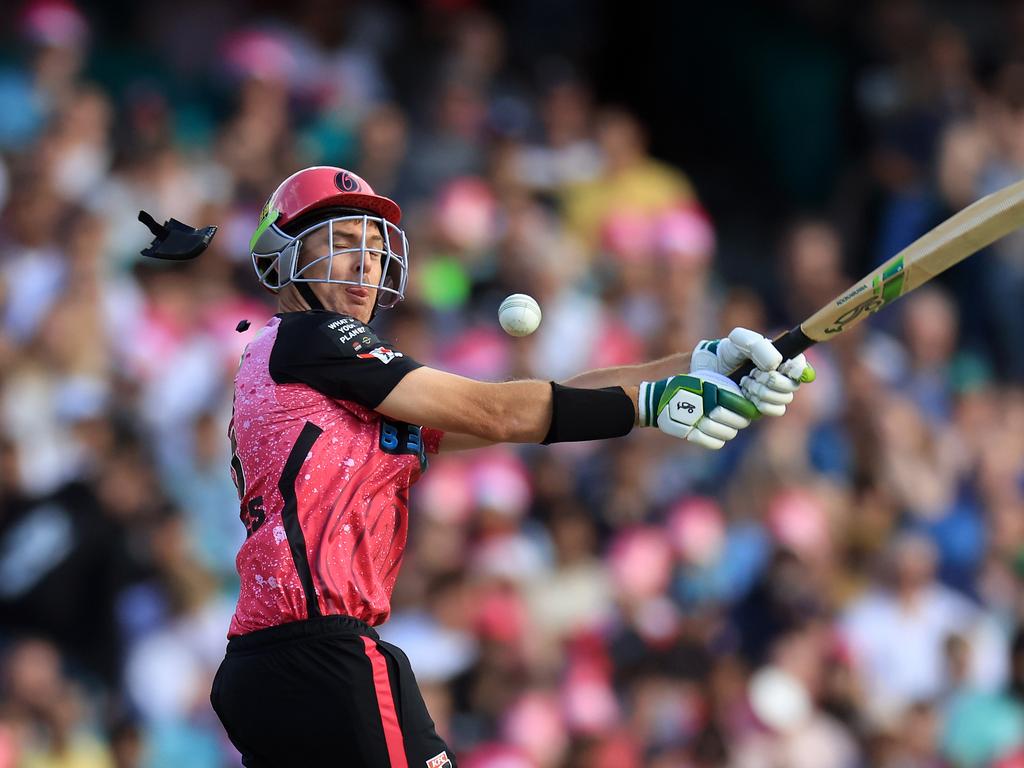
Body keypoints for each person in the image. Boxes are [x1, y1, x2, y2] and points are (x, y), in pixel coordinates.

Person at [208, 165, 813, 767]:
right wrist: (648, 408)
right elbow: (496, 411)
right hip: (323, 655)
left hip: (265, 668)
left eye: (372, 245)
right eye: (341, 244)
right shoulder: (311, 338)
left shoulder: (327, 385)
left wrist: (698, 362)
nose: (365, 262)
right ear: (283, 255)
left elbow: (547, 395)